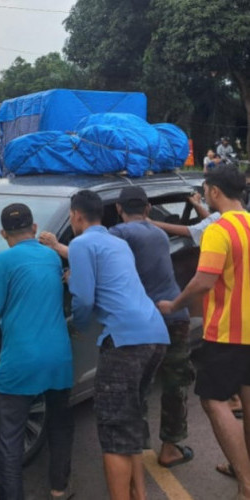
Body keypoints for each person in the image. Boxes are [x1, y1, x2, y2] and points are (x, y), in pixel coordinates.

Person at [43, 186, 195, 470]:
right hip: (171, 319)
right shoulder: (158, 233)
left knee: (122, 409)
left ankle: (133, 455)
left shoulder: (120, 236)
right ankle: (169, 447)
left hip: (132, 328)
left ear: (119, 211)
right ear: (148, 208)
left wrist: (59, 250)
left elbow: (89, 252)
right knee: (170, 387)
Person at [0, 203, 74, 500]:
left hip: (20, 361)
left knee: (9, 441)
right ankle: (59, 489)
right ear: (34, 228)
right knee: (60, 428)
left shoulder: (2, 262)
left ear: (3, 233)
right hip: (59, 357)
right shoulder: (52, 257)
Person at [67, 189, 168, 500]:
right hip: (154, 334)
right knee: (129, 422)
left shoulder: (80, 243)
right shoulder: (117, 242)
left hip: (125, 341)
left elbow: (84, 299)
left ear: (76, 216)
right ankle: (140, 494)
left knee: (113, 432)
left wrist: (78, 327)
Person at [157, 166, 250, 500]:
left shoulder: (219, 230)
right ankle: (244, 470)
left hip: (228, 332)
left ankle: (246, 483)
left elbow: (204, 280)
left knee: (214, 401)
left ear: (213, 192)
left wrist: (175, 304)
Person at [149, 192, 219, 246]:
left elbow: (189, 231)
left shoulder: (220, 219)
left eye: (205, 190)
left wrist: (149, 222)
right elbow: (211, 220)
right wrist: (195, 205)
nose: (203, 195)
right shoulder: (223, 216)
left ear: (215, 192)